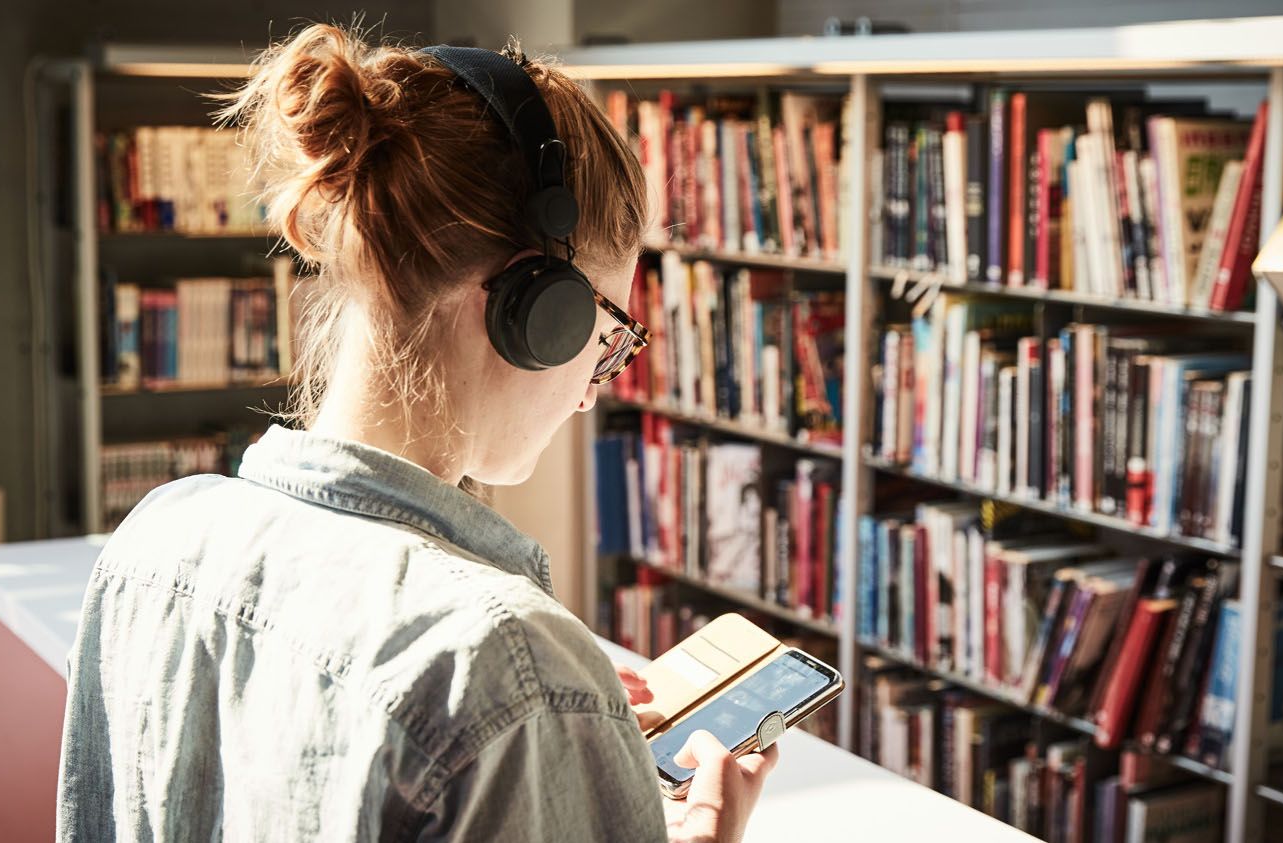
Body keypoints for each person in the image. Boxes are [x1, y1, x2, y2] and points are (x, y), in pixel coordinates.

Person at [54, 23, 777, 843]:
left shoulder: (154, 541)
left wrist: (554, 735)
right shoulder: (509, 669)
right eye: (607, 333)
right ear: (531, 308)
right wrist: (543, 710)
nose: (591, 392)